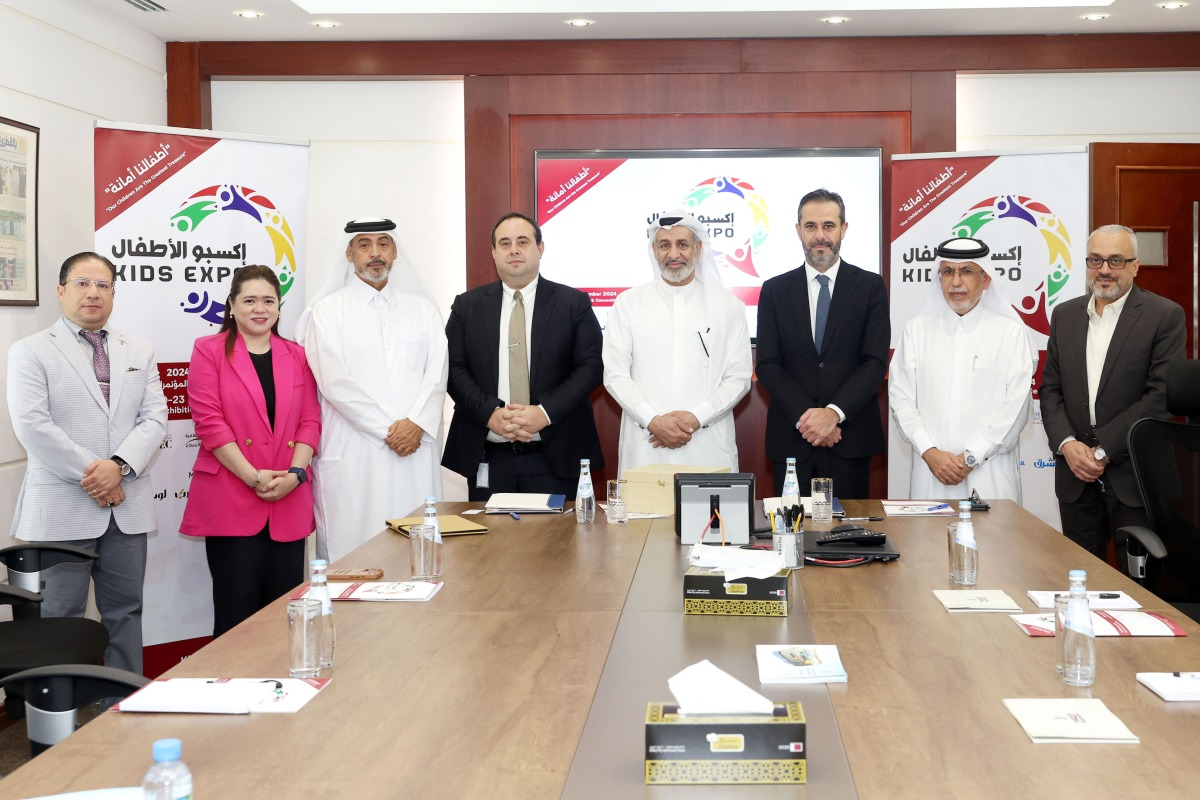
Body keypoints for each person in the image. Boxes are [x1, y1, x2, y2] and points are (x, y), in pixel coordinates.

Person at [7, 252, 167, 674]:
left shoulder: (140, 350)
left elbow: (155, 418)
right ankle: (61, 718)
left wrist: (118, 465)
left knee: (126, 612)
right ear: (61, 291)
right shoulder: (30, 351)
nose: (93, 293)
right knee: (60, 617)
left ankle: (126, 701)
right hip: (62, 507)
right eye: (82, 283)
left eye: (103, 285)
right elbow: (33, 426)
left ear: (114, 293)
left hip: (126, 506)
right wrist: (98, 476)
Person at [180, 265, 321, 636]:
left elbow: (310, 420)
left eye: (268, 300)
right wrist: (253, 476)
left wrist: (296, 474)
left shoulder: (297, 355)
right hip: (232, 495)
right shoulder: (208, 350)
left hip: (288, 498)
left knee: (284, 617)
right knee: (236, 619)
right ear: (231, 305)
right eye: (249, 300)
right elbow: (209, 423)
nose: (259, 308)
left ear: (279, 307)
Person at [298, 218, 448, 563]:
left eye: (383, 244)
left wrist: (415, 425)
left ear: (394, 252)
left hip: (415, 449)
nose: (375, 253)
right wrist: (389, 431)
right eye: (364, 245)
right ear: (350, 254)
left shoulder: (423, 309)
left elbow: (437, 375)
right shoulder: (327, 310)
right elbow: (334, 381)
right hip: (355, 451)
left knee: (418, 554)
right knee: (354, 554)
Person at [1041, 223, 1185, 561]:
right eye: (1095, 260)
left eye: (1116, 261)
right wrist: (1068, 445)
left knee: (1139, 591)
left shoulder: (1164, 315)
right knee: (1080, 579)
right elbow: (1050, 390)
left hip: (1135, 477)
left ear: (1136, 266)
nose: (1104, 270)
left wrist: (1102, 451)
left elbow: (1160, 396)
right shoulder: (1065, 315)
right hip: (1075, 477)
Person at [443, 212, 604, 499]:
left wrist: (544, 413)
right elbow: (453, 370)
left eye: (523, 242)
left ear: (540, 248)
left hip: (555, 455)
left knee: (559, 544)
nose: (514, 250)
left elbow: (590, 368)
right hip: (489, 454)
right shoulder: (466, 307)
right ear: (493, 253)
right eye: (504, 243)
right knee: (489, 544)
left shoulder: (573, 303)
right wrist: (489, 413)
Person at [757, 188, 890, 497]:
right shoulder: (774, 290)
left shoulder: (870, 287)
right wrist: (811, 419)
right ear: (798, 231)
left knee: (849, 539)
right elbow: (767, 364)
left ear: (843, 229)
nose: (820, 235)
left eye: (828, 225)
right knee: (789, 536)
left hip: (849, 438)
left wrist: (832, 414)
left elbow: (874, 362)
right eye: (811, 226)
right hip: (792, 440)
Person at [603, 210, 751, 475]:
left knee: (711, 516)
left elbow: (738, 378)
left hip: (708, 445)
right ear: (654, 250)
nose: (673, 255)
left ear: (697, 249)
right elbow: (615, 375)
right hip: (646, 444)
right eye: (664, 245)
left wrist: (696, 418)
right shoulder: (628, 304)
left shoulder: (728, 306)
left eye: (682, 244)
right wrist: (653, 421)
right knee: (643, 515)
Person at [889, 237, 1036, 501]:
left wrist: (971, 457)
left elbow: (1016, 408)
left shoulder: (1010, 333)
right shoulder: (916, 331)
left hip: (990, 476)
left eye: (967, 271)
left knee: (996, 542)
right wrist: (930, 452)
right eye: (948, 272)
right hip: (930, 472)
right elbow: (901, 400)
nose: (956, 282)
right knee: (927, 542)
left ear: (986, 279)